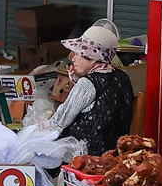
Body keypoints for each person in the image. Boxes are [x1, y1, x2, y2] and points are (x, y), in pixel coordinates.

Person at [47, 19, 135, 157]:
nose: (73, 58)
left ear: (93, 58)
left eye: (78, 54)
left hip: (87, 158)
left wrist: (36, 130)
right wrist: (77, 81)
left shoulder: (87, 84)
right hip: (115, 155)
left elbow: (59, 122)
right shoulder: (122, 77)